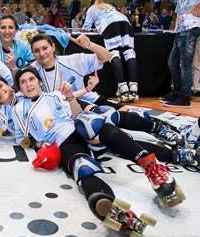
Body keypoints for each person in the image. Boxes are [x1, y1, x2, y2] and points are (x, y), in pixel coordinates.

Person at [13, 68, 184, 219]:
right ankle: (110, 208)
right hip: (63, 144)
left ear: (40, 82)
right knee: (81, 167)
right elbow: (22, 139)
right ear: (19, 88)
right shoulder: (19, 109)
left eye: (31, 79)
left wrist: (70, 97)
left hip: (79, 130)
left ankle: (153, 168)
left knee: (96, 124)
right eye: (23, 82)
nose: (28, 84)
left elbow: (77, 114)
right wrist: (38, 145)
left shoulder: (55, 95)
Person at [29, 33, 117, 108]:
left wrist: (89, 45)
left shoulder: (71, 61)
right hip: (60, 111)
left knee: (125, 113)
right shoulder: (31, 71)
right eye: (36, 51)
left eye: (45, 48)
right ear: (32, 54)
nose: (41, 53)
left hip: (89, 101)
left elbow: (106, 57)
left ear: (53, 47)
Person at [82, 0, 140, 103]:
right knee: (129, 53)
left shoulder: (92, 9)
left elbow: (85, 29)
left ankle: (123, 88)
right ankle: (134, 88)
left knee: (113, 54)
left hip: (110, 26)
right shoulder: (108, 6)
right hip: (125, 23)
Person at [160, 1, 200, 108]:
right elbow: (178, 14)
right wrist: (176, 28)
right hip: (180, 30)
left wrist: (195, 11)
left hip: (192, 27)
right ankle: (177, 93)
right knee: (172, 62)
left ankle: (185, 97)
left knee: (185, 64)